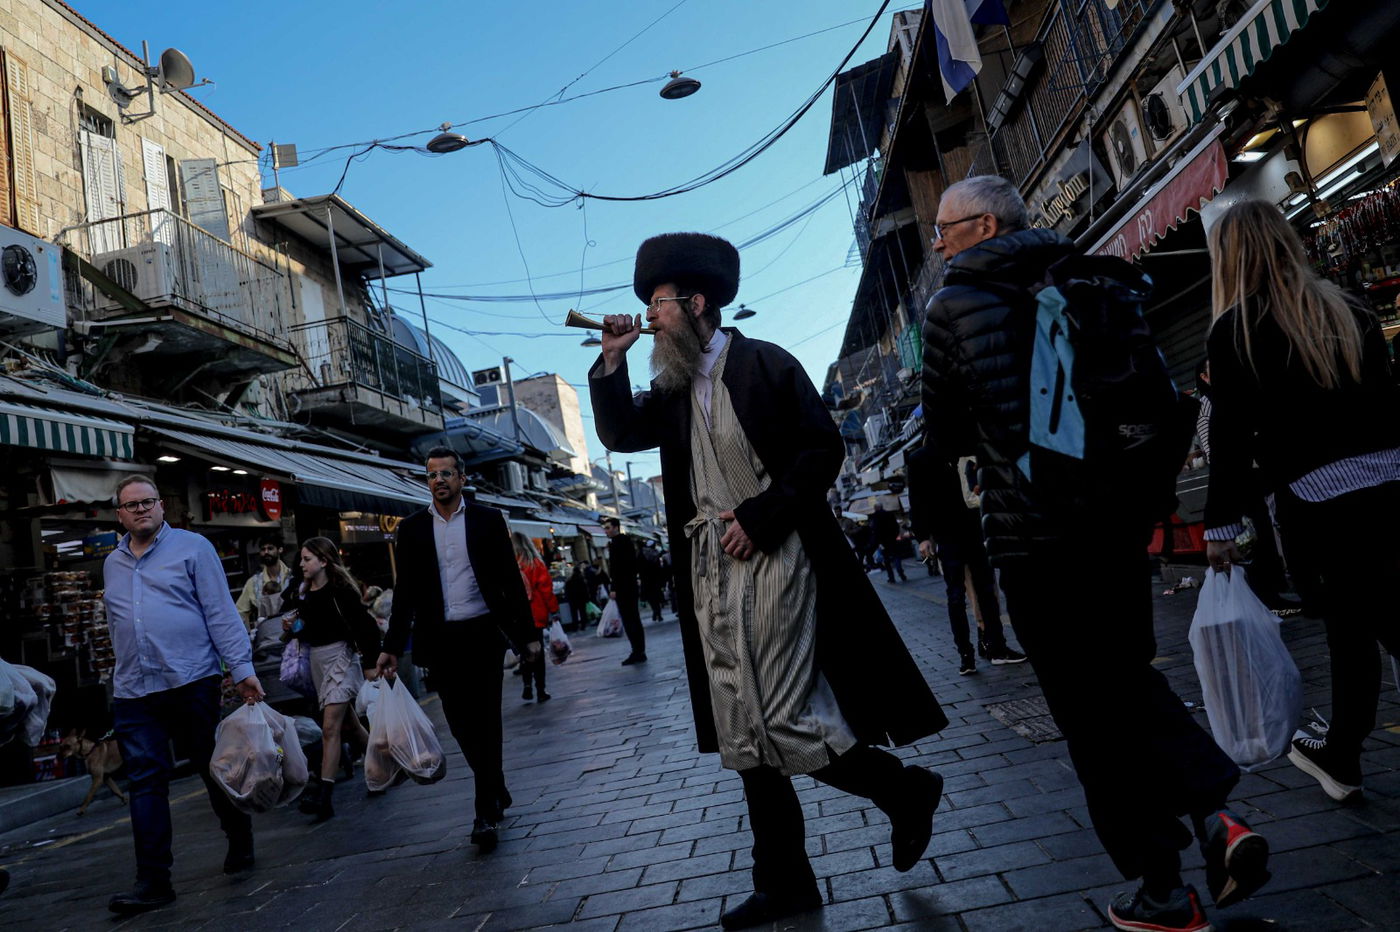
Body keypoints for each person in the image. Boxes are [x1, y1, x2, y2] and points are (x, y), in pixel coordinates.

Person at [916, 176, 1268, 932]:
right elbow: (1156, 399)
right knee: (1120, 682)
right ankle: (1209, 830)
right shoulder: (1095, 277)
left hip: (1035, 539)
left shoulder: (950, 308)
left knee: (1090, 714)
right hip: (1116, 530)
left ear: (981, 227)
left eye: (943, 229)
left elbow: (942, 437)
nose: (936, 243)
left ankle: (1174, 876)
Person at [590, 232, 948, 931]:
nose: (651, 318)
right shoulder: (667, 389)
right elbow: (621, 435)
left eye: (658, 305)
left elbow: (822, 448)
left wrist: (761, 514)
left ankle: (903, 791)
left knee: (779, 715)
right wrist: (610, 361)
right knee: (740, 728)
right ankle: (784, 881)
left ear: (697, 304)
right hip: (709, 572)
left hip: (777, 559)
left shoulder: (765, 364)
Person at [1203, 200, 1400, 805]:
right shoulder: (1348, 309)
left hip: (1319, 501)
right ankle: (1340, 750)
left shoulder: (1235, 331)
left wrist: (1221, 527)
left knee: (1351, 631)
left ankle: (1342, 756)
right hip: (1389, 483)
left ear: (1229, 260)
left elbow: (1230, 442)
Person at [102, 476, 264, 915]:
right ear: (119, 514)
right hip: (135, 689)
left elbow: (221, 612)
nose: (140, 510)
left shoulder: (193, 548)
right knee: (145, 781)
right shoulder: (112, 563)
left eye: (148, 502)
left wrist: (243, 669)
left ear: (161, 507)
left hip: (191, 679)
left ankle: (238, 833)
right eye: (131, 505)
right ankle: (153, 880)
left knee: (208, 765)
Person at [378, 447, 539, 853]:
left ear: (462, 479)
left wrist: (529, 634)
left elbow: (509, 581)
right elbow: (406, 594)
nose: (440, 480)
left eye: (447, 473)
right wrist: (392, 647)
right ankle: (495, 783)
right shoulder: (412, 529)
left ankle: (484, 810)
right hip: (441, 641)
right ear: (426, 481)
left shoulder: (487, 520)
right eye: (432, 475)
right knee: (461, 724)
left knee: (487, 721)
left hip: (482, 634)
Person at [280, 537, 381, 821]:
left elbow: (366, 626)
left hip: (340, 659)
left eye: (307, 559)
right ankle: (386, 764)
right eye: (301, 559)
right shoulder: (301, 592)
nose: (302, 564)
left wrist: (372, 662)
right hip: (317, 662)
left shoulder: (341, 591)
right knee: (349, 723)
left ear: (323, 561)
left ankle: (325, 796)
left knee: (330, 728)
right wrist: (293, 625)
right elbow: (305, 630)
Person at [908, 448, 1025, 675]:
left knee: (985, 592)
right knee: (957, 596)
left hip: (974, 528)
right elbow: (917, 499)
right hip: (948, 533)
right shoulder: (921, 457)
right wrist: (922, 536)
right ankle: (966, 654)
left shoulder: (967, 449)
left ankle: (995, 648)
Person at [513, 531, 558, 703]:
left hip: (517, 616)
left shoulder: (510, 565)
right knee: (537, 652)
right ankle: (540, 689)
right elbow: (547, 590)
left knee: (525, 652)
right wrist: (553, 610)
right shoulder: (536, 564)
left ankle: (526, 685)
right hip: (536, 613)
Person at [236, 535, 293, 658]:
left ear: (280, 550)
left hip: (294, 642)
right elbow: (239, 613)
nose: (266, 552)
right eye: (263, 549)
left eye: (270, 548)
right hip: (267, 649)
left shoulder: (293, 577)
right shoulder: (253, 583)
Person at [602, 516, 646, 664]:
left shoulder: (618, 543)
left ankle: (637, 651)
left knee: (630, 620)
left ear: (615, 527)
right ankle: (639, 651)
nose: (606, 531)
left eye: (608, 527)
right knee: (633, 619)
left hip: (624, 588)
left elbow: (618, 569)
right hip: (629, 586)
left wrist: (614, 588)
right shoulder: (623, 542)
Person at [869, 503, 906, 583]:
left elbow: (875, 531)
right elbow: (896, 526)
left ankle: (891, 577)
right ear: (882, 507)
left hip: (883, 542)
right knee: (896, 556)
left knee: (886, 560)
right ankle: (900, 572)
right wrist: (894, 536)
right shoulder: (889, 514)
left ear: (875, 508)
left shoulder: (875, 517)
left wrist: (877, 542)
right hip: (892, 540)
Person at [563, 562, 593, 632]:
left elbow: (567, 591)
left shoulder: (569, 581)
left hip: (573, 600)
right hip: (581, 599)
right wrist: (587, 598)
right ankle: (583, 625)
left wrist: (568, 598)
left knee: (574, 614)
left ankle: (575, 626)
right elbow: (585, 590)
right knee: (582, 612)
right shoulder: (581, 580)